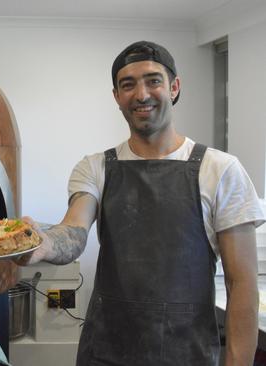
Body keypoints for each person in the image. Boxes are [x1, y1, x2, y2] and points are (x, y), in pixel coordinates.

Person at [21, 40, 265, 365]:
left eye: (153, 80)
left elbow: (243, 282)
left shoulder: (220, 170)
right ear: (116, 97)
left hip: (187, 352)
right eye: (128, 84)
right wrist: (43, 243)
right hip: (105, 350)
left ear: (174, 87)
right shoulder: (95, 167)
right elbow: (74, 231)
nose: (141, 94)